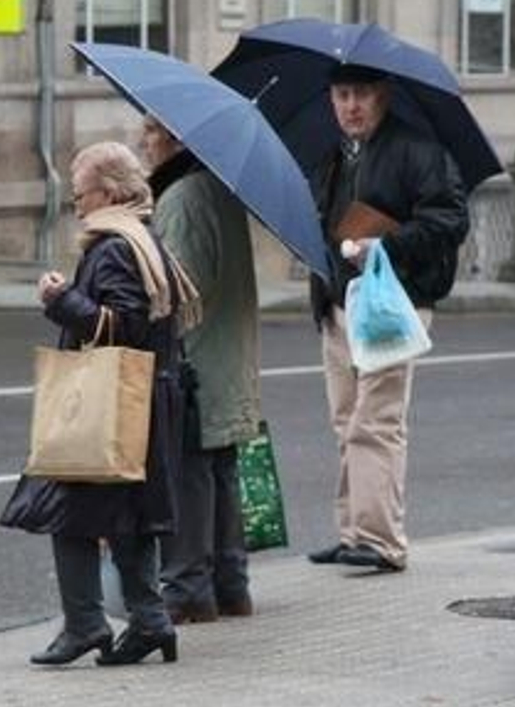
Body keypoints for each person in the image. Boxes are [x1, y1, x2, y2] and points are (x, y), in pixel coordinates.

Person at [0, 141, 199, 666]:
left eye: (80, 193)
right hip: (147, 396)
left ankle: (86, 624)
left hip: (113, 401)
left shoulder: (113, 246)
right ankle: (151, 622)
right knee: (127, 516)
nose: (76, 203)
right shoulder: (144, 236)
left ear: (108, 192)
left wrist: (60, 299)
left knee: (67, 509)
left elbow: (123, 325)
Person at [303, 63, 468, 573]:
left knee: (376, 420)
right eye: (342, 95)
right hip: (340, 303)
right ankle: (355, 529)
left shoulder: (418, 151)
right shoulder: (334, 155)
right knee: (346, 420)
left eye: (362, 95)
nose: (350, 106)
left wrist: (385, 245)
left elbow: (450, 219)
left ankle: (381, 539)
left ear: (383, 97)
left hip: (393, 302)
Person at [142, 116, 262, 623]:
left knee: (191, 473)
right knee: (220, 471)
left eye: (150, 130)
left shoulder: (183, 198)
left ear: (177, 140)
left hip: (196, 363)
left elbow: (177, 292)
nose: (141, 141)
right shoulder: (217, 188)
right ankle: (230, 585)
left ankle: (190, 591)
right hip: (226, 357)